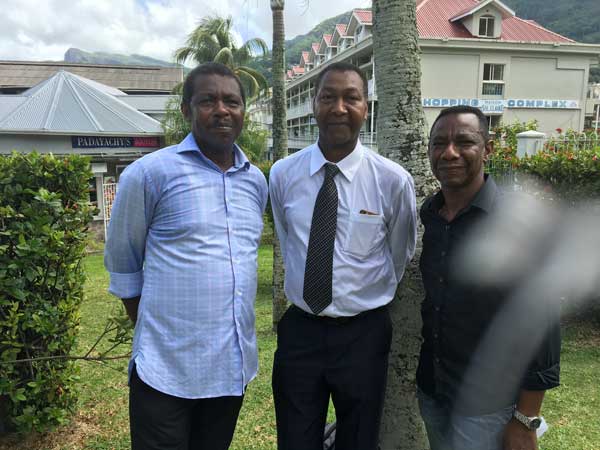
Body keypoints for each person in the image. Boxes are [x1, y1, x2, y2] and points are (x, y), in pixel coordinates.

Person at [104, 62, 268, 450]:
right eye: (207, 100)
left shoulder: (255, 181)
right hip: (165, 372)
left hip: (230, 369)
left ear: (244, 110)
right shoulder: (149, 174)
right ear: (186, 110)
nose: (222, 110)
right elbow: (124, 264)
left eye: (232, 101)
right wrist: (158, 335)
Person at [269, 62, 417, 450]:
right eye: (328, 97)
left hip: (363, 334)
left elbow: (399, 253)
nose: (339, 107)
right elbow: (289, 242)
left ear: (366, 107)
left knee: (359, 439)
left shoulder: (392, 180)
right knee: (295, 438)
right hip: (301, 329)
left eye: (351, 97)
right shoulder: (283, 174)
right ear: (314, 105)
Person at [417, 105, 561, 450]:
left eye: (464, 142)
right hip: (435, 392)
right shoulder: (431, 215)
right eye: (439, 143)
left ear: (488, 149)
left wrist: (526, 419)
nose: (449, 152)